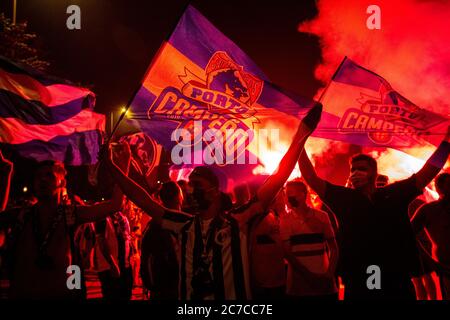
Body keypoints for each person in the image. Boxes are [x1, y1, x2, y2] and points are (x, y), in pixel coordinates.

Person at [106, 103, 323, 300]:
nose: (191, 191)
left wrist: (302, 133)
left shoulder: (237, 221)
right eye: (190, 186)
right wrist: (114, 166)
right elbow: (143, 200)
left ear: (214, 192)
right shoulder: (183, 225)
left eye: (197, 186)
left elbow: (277, 179)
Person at [298, 125, 450, 299]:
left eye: (362, 169)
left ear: (374, 173)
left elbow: (428, 172)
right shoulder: (344, 198)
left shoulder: (394, 194)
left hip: (396, 275)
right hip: (360, 276)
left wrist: (446, 142)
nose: (356, 173)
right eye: (353, 169)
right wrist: (300, 141)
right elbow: (311, 178)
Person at [0, 144, 130, 299]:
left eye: (49, 175)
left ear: (62, 182)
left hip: (61, 293)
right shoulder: (22, 215)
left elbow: (115, 204)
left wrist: (122, 165)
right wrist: (6, 173)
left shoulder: (71, 214)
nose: (42, 180)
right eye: (38, 176)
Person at [280, 179, 338, 300]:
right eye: (286, 193)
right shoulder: (285, 219)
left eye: (290, 193)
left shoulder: (322, 216)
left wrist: (329, 274)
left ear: (302, 195)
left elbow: (334, 247)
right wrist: (309, 276)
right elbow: (288, 253)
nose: (286, 197)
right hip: (298, 286)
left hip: (324, 283)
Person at [140, 181, 183, 299]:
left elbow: (145, 259)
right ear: (178, 198)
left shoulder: (155, 224)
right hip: (167, 289)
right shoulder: (159, 226)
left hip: (166, 287)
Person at [411, 173, 450, 300]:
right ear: (439, 188)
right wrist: (431, 262)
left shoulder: (427, 209)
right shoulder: (428, 210)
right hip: (446, 266)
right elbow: (408, 236)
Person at [247, 190, 286, 299]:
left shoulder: (275, 216)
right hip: (264, 281)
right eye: (279, 196)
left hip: (279, 278)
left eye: (282, 196)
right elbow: (252, 248)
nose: (282, 199)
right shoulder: (257, 219)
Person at [94, 210, 133, 300]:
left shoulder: (122, 217)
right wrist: (112, 264)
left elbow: (127, 237)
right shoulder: (102, 217)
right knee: (112, 296)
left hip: (125, 266)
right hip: (109, 268)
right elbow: (101, 241)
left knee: (126, 295)